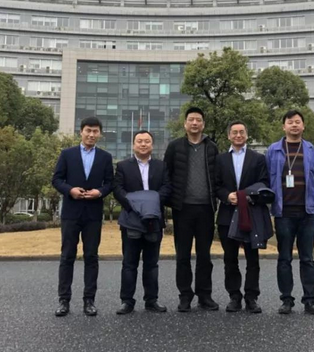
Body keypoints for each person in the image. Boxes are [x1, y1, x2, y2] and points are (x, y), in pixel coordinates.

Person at [52, 116, 113, 317]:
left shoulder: (105, 157)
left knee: (91, 257)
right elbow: (57, 179)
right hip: (71, 212)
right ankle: (64, 300)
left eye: (95, 131)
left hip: (93, 214)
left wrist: (100, 192)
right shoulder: (67, 154)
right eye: (88, 130)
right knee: (67, 256)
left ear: (100, 134)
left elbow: (110, 183)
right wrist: (70, 190)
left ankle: (89, 300)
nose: (91, 135)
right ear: (81, 132)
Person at [265, 110, 314, 316]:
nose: (294, 125)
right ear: (284, 127)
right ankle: (286, 300)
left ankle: (309, 300)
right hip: (284, 213)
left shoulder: (311, 149)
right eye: (290, 122)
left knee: (307, 258)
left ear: (303, 126)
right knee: (284, 258)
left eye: (298, 122)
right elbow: (268, 178)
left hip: (307, 212)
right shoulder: (273, 150)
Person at [164, 107, 219, 312]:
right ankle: (185, 295)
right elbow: (167, 175)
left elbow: (217, 176)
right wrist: (169, 203)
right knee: (183, 255)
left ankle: (205, 295)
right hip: (182, 209)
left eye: (198, 120)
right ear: (185, 124)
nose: (194, 123)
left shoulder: (212, 147)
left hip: (206, 208)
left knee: (204, 255)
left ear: (203, 124)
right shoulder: (174, 147)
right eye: (191, 120)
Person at [113, 130, 171, 315]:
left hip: (154, 220)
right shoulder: (123, 166)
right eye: (139, 141)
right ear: (133, 145)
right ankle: (127, 301)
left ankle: (151, 300)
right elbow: (118, 189)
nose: (143, 144)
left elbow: (167, 187)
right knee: (129, 263)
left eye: (147, 141)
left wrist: (151, 204)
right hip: (131, 219)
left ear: (152, 145)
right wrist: (136, 205)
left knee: (151, 264)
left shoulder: (161, 166)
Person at [215, 120, 269, 313]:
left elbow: (264, 182)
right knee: (230, 259)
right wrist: (226, 196)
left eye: (241, 132)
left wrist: (246, 195)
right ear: (229, 135)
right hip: (227, 213)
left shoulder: (258, 158)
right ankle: (234, 296)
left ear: (247, 135)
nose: (238, 135)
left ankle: (251, 297)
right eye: (234, 132)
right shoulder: (220, 159)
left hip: (251, 213)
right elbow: (216, 185)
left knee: (252, 259)